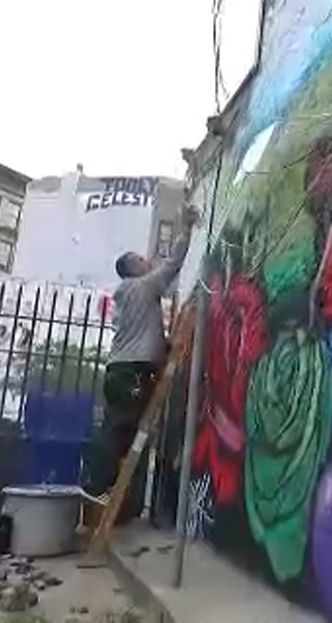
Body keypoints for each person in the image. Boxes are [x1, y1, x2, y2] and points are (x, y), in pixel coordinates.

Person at [95, 206, 195, 524]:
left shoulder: (126, 296)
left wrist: (162, 344)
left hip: (119, 371)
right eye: (140, 259)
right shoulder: (142, 287)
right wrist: (186, 227)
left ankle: (110, 500)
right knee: (129, 437)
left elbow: (143, 330)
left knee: (120, 435)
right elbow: (173, 264)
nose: (146, 260)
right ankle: (110, 497)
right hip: (133, 373)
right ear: (131, 269)